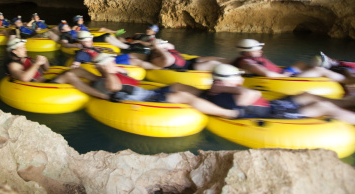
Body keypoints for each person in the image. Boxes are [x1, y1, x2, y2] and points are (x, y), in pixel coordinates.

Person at [91, 55, 244, 118]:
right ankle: (224, 111)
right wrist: (108, 72)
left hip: (148, 92)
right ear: (104, 67)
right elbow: (114, 87)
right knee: (181, 96)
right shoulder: (107, 81)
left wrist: (114, 69)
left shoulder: (112, 73)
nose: (113, 63)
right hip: (148, 99)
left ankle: (208, 95)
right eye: (109, 63)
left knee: (177, 85)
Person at [196, 64, 355, 124]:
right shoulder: (222, 94)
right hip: (275, 114)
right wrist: (226, 88)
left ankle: (347, 103)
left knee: (307, 95)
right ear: (224, 82)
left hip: (273, 105)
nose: (239, 81)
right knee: (322, 106)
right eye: (235, 79)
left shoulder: (218, 89)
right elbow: (250, 94)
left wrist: (226, 87)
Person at [4, 38, 110, 100]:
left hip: (47, 81)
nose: (25, 49)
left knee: (79, 70)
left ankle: (100, 80)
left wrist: (44, 62)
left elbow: (46, 70)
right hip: (41, 88)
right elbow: (24, 78)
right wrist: (36, 63)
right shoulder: (13, 65)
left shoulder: (25, 59)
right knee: (69, 76)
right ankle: (102, 95)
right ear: (14, 51)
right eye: (22, 48)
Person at [232, 39, 355, 85]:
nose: (260, 50)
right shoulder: (249, 63)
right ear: (248, 52)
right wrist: (284, 76)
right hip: (284, 79)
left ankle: (327, 69)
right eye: (257, 49)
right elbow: (268, 74)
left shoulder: (248, 59)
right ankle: (347, 80)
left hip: (283, 73)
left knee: (300, 64)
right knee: (319, 69)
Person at [71, 30, 161, 70]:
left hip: (111, 58)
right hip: (107, 63)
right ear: (82, 42)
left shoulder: (91, 47)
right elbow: (75, 65)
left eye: (90, 39)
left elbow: (95, 50)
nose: (90, 40)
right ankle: (159, 67)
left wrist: (105, 48)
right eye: (87, 40)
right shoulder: (81, 54)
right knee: (133, 60)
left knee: (133, 54)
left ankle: (153, 59)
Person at [148, 39, 227, 71]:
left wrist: (159, 44)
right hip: (188, 67)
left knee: (214, 58)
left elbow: (171, 46)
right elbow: (167, 60)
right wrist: (158, 48)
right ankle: (233, 71)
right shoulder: (158, 58)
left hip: (188, 61)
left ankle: (232, 63)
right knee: (212, 63)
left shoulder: (166, 50)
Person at [59, 21, 134, 54]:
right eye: (66, 26)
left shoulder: (72, 31)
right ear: (62, 30)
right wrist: (76, 45)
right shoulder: (64, 35)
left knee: (107, 34)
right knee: (105, 37)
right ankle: (127, 48)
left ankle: (126, 46)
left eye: (67, 25)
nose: (68, 26)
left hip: (87, 38)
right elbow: (65, 44)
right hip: (84, 41)